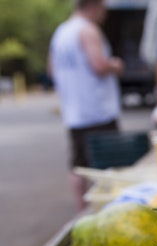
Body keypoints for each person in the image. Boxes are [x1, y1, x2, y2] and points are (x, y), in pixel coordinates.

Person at [48, 0, 124, 210]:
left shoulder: (61, 32)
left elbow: (52, 71)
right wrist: (115, 65)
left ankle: (82, 210)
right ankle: (108, 209)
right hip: (98, 110)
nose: (105, 14)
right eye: (104, 8)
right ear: (94, 5)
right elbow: (98, 64)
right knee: (107, 168)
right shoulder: (88, 30)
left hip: (74, 112)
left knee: (78, 166)